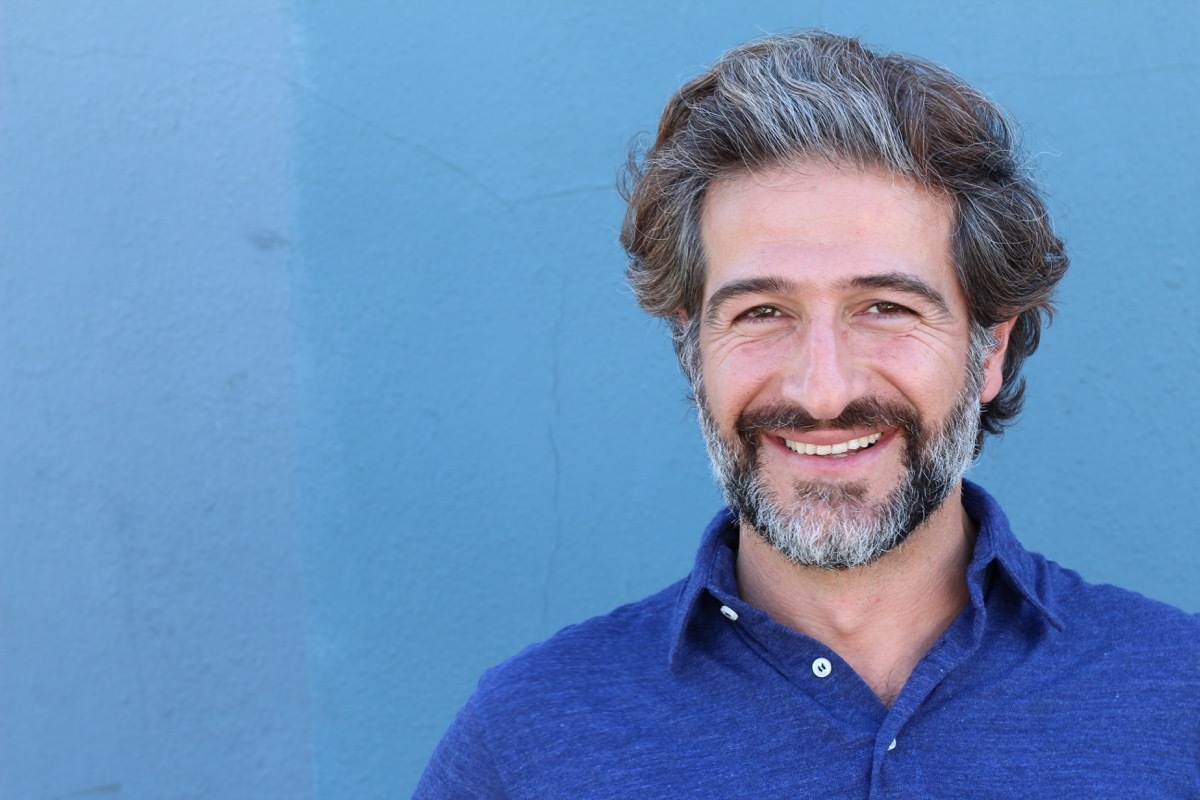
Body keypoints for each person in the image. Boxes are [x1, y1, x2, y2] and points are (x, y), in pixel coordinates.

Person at [416, 30, 1200, 798]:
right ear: (694, 349)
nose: (822, 392)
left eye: (886, 307)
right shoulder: (527, 742)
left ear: (988, 351)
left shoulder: (1181, 707)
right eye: (761, 313)